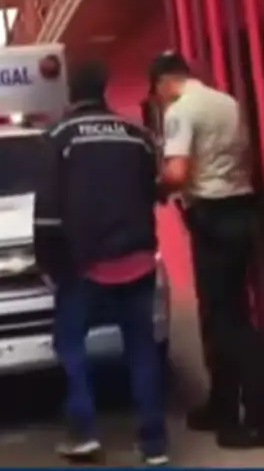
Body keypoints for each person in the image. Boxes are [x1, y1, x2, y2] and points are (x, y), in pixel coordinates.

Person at [33, 61, 167, 465]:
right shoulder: (137, 136)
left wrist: (49, 264)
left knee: (71, 346)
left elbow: (48, 213)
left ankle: (84, 433)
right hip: (139, 259)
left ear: (72, 91)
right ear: (105, 88)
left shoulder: (59, 137)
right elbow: (152, 193)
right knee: (141, 350)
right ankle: (154, 443)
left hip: (86, 265)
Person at [149, 51, 264, 448]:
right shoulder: (226, 102)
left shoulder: (181, 110)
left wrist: (156, 187)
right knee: (224, 314)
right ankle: (222, 404)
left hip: (212, 217)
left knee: (227, 319)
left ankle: (254, 416)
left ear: (164, 83)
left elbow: (178, 172)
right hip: (243, 211)